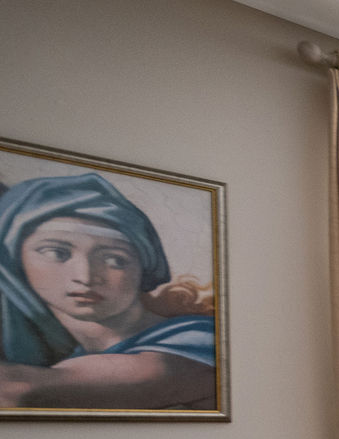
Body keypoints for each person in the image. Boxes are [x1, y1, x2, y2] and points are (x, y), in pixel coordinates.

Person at [0, 172, 216, 410]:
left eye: (114, 259)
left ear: (142, 266)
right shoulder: (75, 357)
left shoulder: (201, 339)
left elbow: (22, 391)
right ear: (15, 264)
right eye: (56, 253)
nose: (86, 277)